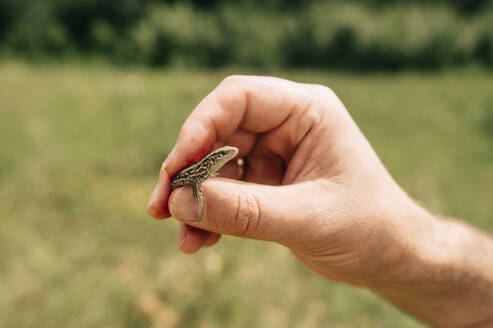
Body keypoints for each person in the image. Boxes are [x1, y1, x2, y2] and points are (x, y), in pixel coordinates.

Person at [147, 75, 493, 327]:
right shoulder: (204, 168)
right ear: (217, 157)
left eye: (226, 153)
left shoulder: (211, 167)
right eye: (225, 153)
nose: (229, 154)